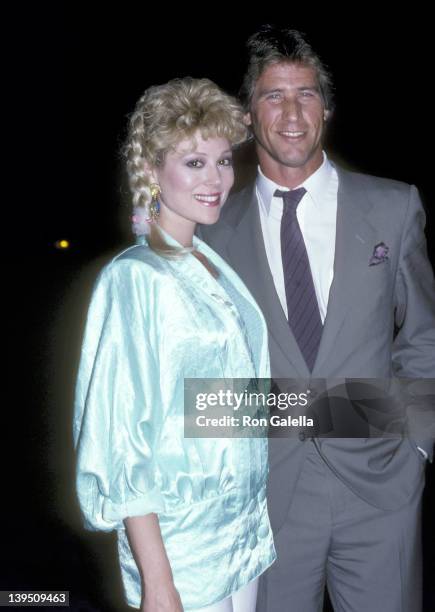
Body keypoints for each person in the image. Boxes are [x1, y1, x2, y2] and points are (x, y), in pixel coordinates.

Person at [196, 26, 435, 612]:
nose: (292, 112)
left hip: (381, 489)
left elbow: (423, 338)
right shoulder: (213, 233)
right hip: (268, 497)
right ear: (249, 115)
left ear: (326, 108)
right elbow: (201, 380)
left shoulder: (393, 205)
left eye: (306, 94)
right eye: (273, 95)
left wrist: (417, 447)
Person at [73, 77, 276, 612]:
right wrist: (158, 583)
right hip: (181, 552)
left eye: (224, 160)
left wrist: (363, 413)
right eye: (194, 163)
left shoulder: (211, 264)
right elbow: (123, 442)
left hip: (241, 538)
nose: (216, 179)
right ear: (151, 169)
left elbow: (224, 407)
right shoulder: (136, 278)